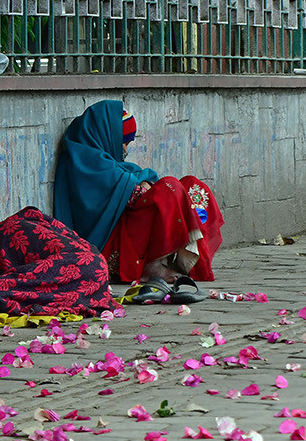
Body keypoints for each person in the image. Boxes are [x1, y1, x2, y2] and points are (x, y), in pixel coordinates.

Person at [53, 100, 223, 306]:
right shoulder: (81, 159)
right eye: (123, 142)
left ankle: (179, 261)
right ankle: (149, 267)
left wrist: (146, 183)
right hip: (109, 243)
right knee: (169, 188)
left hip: (127, 228)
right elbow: (131, 192)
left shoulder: (106, 159)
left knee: (192, 187)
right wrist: (146, 185)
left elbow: (135, 179)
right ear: (107, 134)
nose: (125, 149)